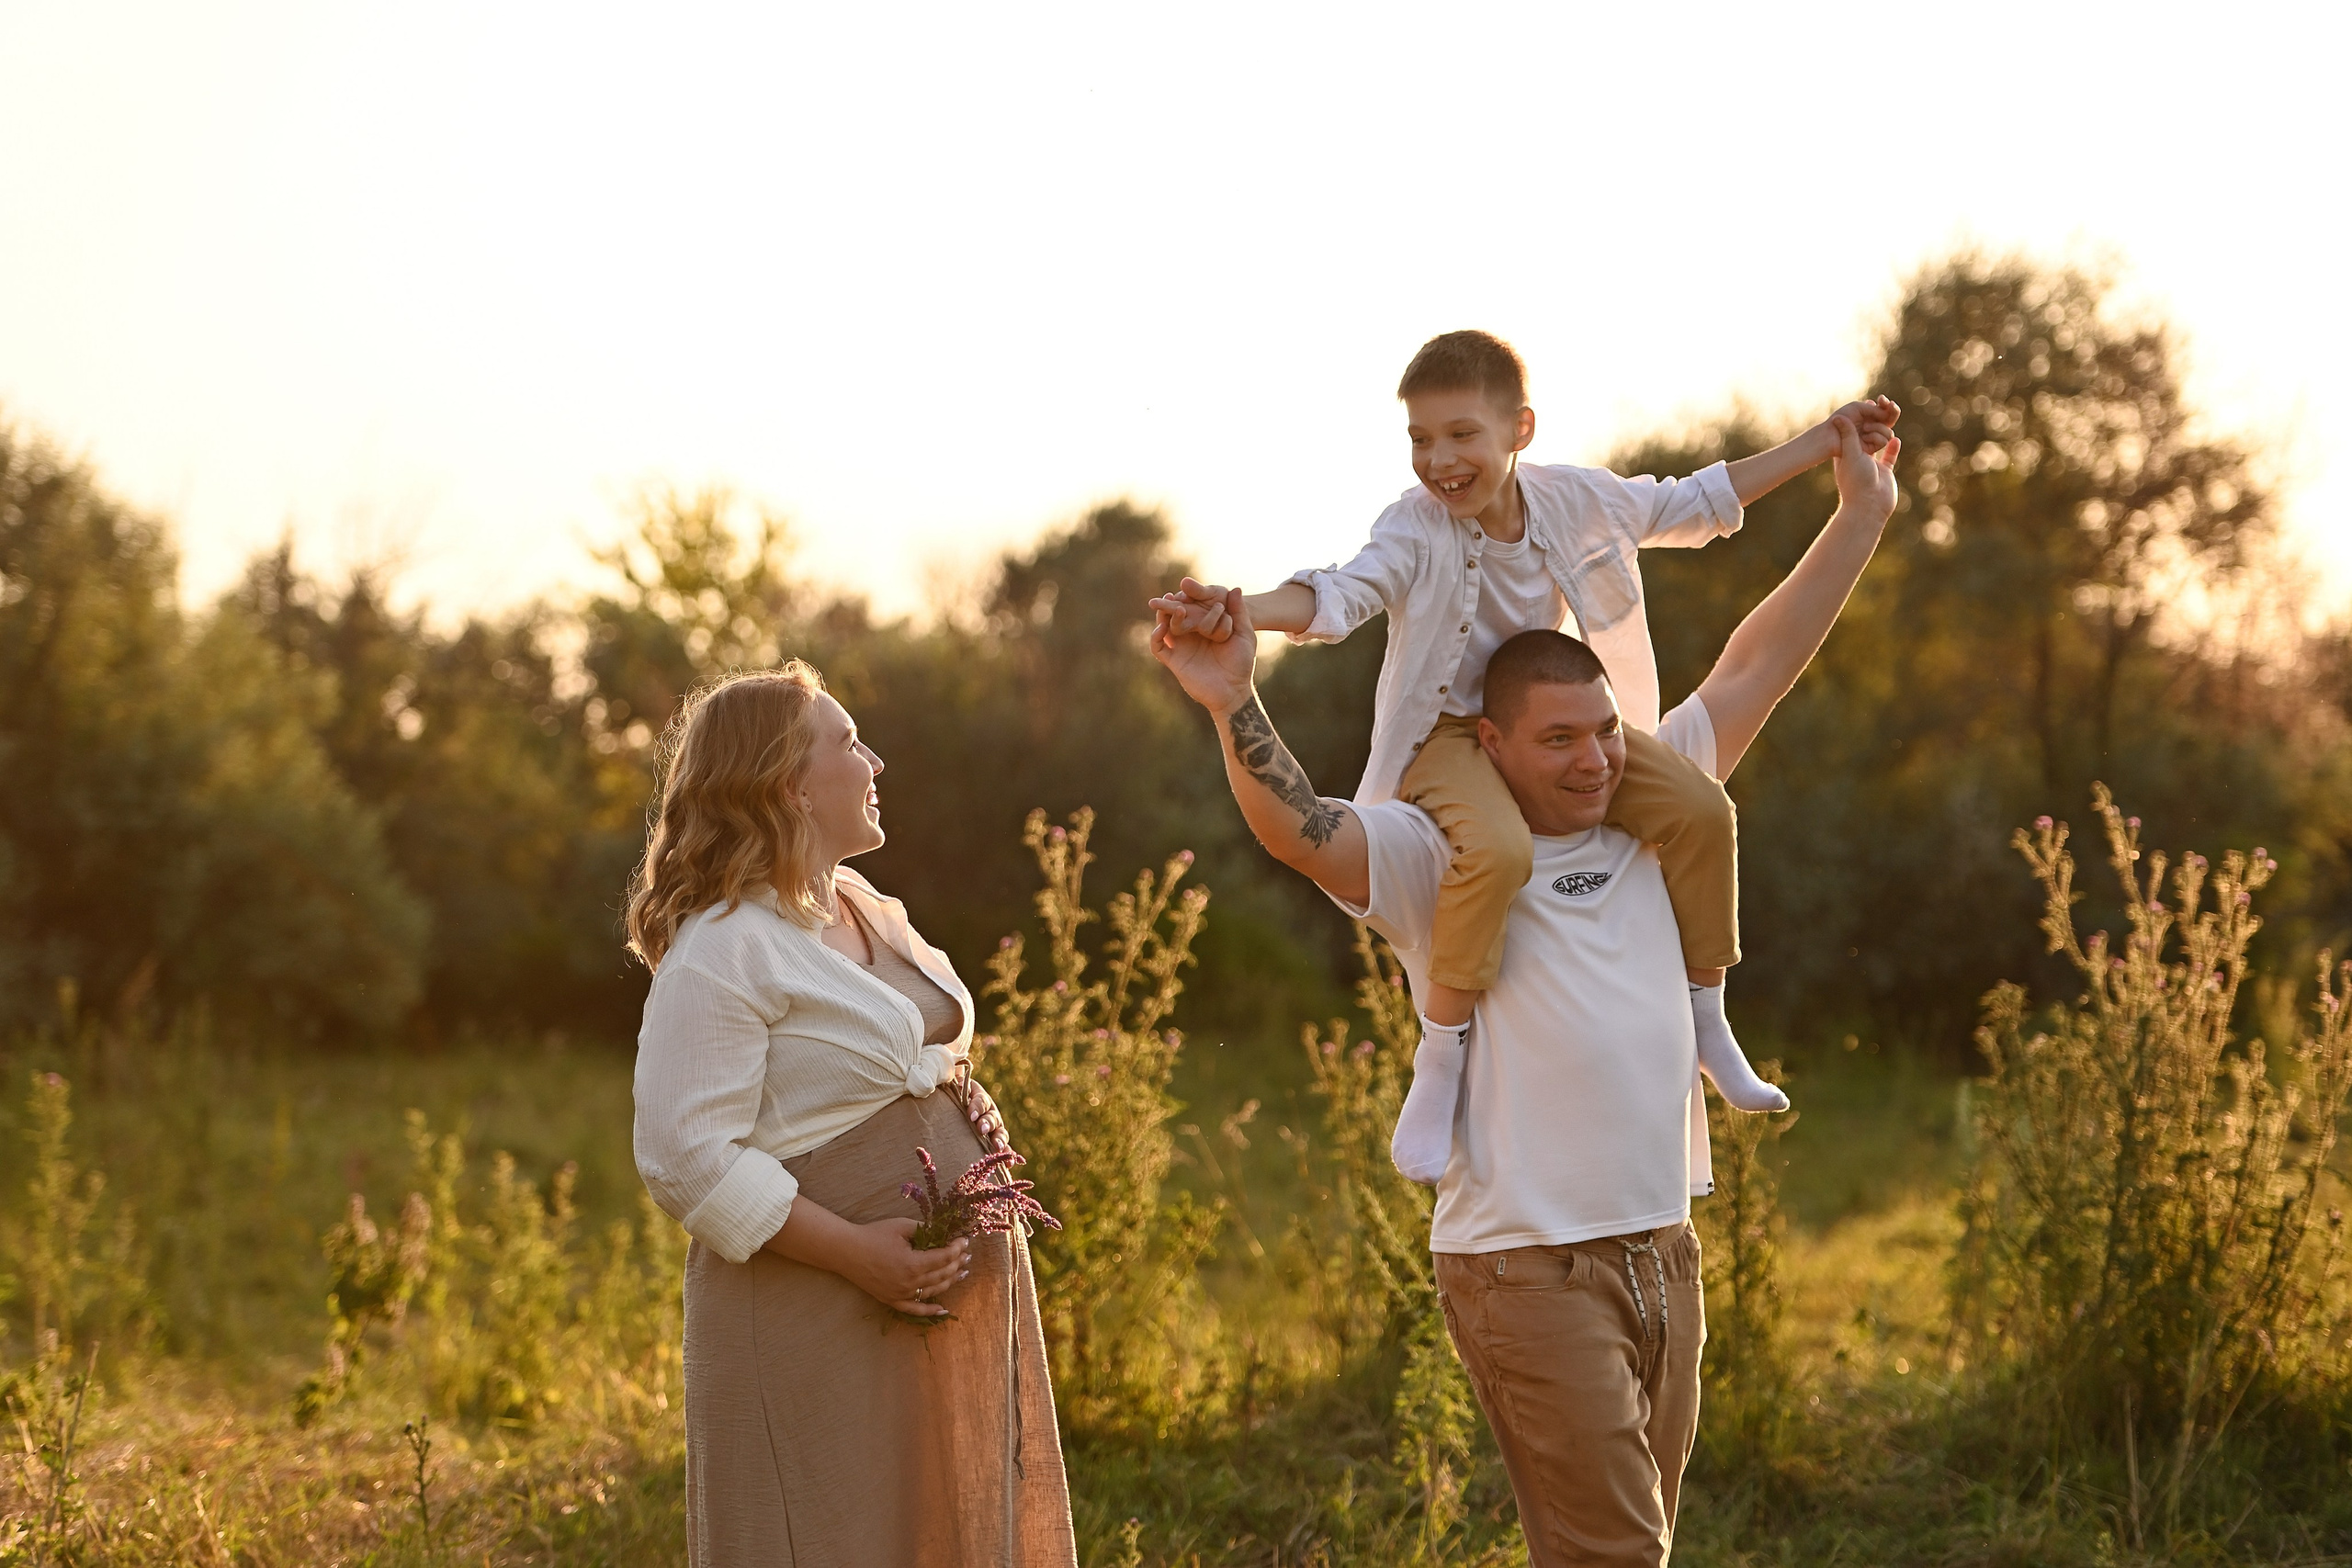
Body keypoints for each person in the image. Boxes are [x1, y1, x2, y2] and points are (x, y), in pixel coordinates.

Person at [1151, 415, 1901, 1566]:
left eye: (1604, 732)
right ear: (1489, 747)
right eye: (1559, 740)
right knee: (1613, 1554)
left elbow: (1757, 659)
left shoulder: (1657, 815)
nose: (1595, 758)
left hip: (1661, 1247)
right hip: (1523, 1265)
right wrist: (1229, 703)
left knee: (1622, 1546)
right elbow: (1306, 834)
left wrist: (1859, 516)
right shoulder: (1431, 853)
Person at [1151, 330, 1897, 1183]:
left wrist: (1827, 445)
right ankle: (1439, 1060)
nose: (1439, 459)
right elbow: (1339, 594)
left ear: (1521, 431)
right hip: (1449, 744)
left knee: (1701, 808)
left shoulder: (1580, 504)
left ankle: (1709, 1016)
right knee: (1497, 851)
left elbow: (1700, 503)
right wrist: (1240, 608)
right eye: (1420, 439)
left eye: (1462, 434)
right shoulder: (1415, 527)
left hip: (1548, 720)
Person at [627, 664, 1076, 1568]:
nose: (874, 761)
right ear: (789, 782)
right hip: (815, 1302)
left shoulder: (868, 908)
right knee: (834, 1533)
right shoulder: (723, 946)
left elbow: (909, 1059)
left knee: (938, 1531)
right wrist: (861, 1255)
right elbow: (683, 1154)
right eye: (848, 743)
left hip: (933, 1302)